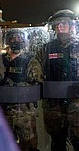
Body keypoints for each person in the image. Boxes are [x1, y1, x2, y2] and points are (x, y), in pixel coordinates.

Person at [0, 28, 42, 151]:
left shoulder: (30, 60)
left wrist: (14, 86)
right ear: (8, 41)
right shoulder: (0, 60)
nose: (16, 41)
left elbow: (35, 83)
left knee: (29, 145)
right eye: (13, 38)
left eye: (19, 38)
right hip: (4, 111)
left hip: (24, 112)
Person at [41, 9, 79, 151]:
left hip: (76, 101)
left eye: (63, 23)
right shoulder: (47, 48)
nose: (60, 27)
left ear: (71, 25)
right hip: (54, 102)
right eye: (57, 25)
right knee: (57, 141)